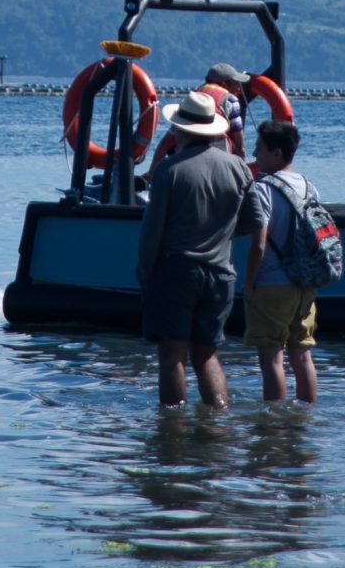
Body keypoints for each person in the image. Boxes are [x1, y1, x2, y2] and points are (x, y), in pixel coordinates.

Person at [135, 89, 250, 409]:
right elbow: (255, 219)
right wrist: (222, 233)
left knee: (173, 354)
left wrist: (144, 274)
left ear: (181, 130)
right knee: (207, 353)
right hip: (222, 274)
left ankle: (173, 430)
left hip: (177, 272)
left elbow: (151, 233)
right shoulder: (238, 169)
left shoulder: (168, 170)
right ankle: (219, 420)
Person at [240, 119, 322, 404]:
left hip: (272, 285)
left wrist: (248, 284)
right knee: (302, 355)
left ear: (276, 153)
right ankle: (306, 417)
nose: (254, 154)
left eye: (259, 148)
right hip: (305, 285)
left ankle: (274, 423)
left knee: (271, 358)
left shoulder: (262, 190)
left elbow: (259, 244)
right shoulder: (309, 187)